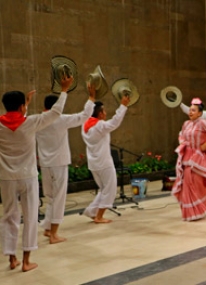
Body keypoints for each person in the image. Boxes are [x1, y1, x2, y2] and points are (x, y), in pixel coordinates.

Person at [0, 75, 72, 272]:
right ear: (23, 106)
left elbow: (15, 118)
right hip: (28, 177)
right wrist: (64, 90)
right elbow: (56, 112)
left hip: (6, 178)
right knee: (30, 216)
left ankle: (11, 258)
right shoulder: (31, 122)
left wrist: (24, 105)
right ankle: (26, 261)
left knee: (8, 216)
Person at [36, 83, 96, 244]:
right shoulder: (60, 119)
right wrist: (91, 98)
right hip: (59, 162)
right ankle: (54, 233)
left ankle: (48, 229)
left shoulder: (38, 120)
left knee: (51, 197)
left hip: (45, 164)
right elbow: (84, 116)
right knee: (59, 198)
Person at [81, 95, 130, 223]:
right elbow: (115, 122)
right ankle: (99, 216)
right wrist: (123, 106)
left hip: (93, 163)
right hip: (104, 162)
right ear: (100, 113)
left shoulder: (84, 126)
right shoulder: (99, 126)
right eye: (104, 111)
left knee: (103, 189)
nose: (106, 113)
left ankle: (92, 211)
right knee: (110, 189)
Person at [173, 98, 206, 221]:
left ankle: (197, 209)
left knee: (195, 182)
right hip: (187, 156)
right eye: (190, 110)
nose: (190, 112)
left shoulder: (203, 123)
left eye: (193, 110)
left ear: (200, 113)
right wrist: (184, 144)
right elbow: (181, 135)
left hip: (198, 157)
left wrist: (205, 145)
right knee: (186, 183)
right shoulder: (186, 124)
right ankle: (190, 212)